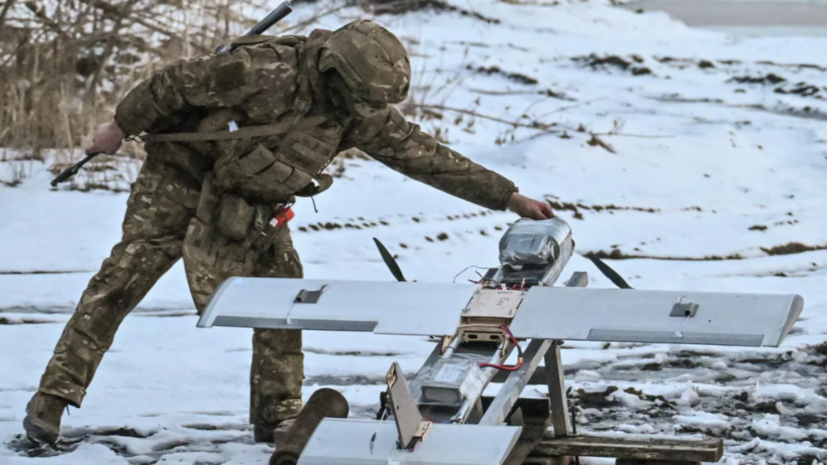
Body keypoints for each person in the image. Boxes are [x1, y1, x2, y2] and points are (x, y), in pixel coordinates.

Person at [23, 19, 554, 446]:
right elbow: (171, 85)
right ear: (334, 74)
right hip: (178, 180)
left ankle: (278, 414)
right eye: (362, 99)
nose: (367, 113)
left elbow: (426, 157)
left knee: (283, 295)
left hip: (251, 203)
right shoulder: (259, 70)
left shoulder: (360, 113)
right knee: (121, 281)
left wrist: (508, 196)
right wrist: (118, 127)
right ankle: (53, 399)